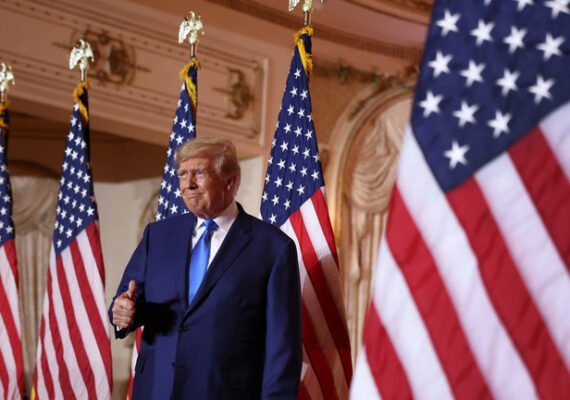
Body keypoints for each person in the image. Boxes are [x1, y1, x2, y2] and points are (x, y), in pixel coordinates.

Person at [109, 137, 302, 399]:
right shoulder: (158, 235)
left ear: (230, 182)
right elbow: (128, 299)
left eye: (199, 173)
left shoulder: (272, 247)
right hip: (156, 389)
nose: (188, 184)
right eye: (182, 174)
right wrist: (123, 311)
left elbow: (282, 345)